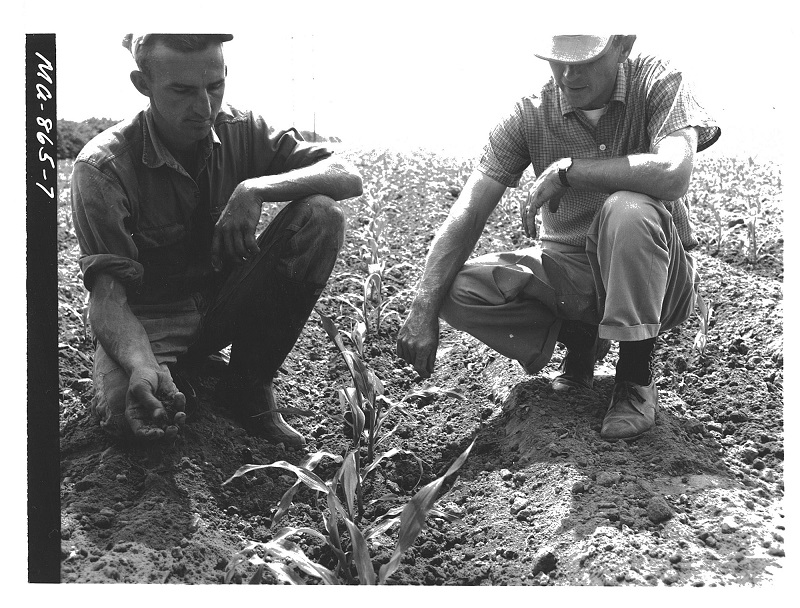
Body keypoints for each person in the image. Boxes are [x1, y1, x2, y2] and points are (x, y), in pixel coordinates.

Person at [396, 35, 720, 441]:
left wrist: (572, 172)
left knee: (628, 209)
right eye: (558, 61)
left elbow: (673, 173)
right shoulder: (531, 112)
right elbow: (471, 208)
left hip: (658, 277)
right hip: (574, 273)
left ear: (623, 46)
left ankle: (636, 377)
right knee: (456, 289)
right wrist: (422, 306)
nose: (568, 74)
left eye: (585, 60)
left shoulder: (657, 80)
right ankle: (583, 342)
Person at [71, 34, 363, 447]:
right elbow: (108, 297)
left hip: (224, 303)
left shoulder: (244, 129)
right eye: (182, 91)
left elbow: (346, 173)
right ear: (143, 84)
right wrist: (140, 364)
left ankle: (249, 386)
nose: (204, 107)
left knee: (320, 214)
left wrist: (254, 190)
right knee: (133, 419)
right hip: (148, 321)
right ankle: (160, 368)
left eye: (215, 86)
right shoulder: (102, 168)